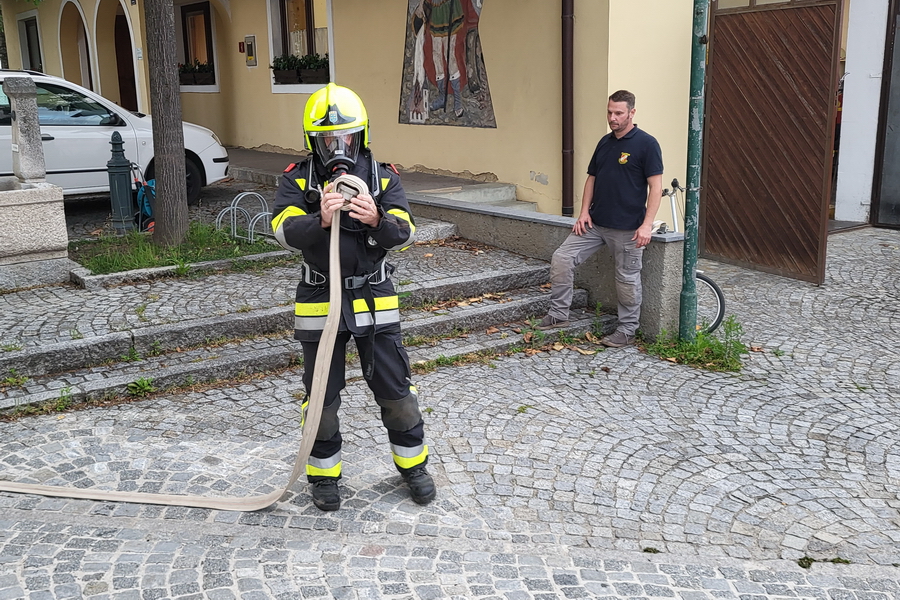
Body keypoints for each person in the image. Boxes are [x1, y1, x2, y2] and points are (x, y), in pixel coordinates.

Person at [270, 83, 435, 511]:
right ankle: (324, 477)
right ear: (313, 141)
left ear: (360, 135)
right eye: (327, 140)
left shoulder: (382, 177)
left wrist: (377, 218)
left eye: (345, 137)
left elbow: (406, 232)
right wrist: (319, 220)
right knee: (321, 399)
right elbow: (282, 230)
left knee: (396, 391)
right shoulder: (297, 178)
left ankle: (414, 467)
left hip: (374, 298)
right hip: (320, 297)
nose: (337, 147)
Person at [537, 90, 663, 347]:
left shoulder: (647, 144)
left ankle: (627, 330)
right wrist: (584, 211)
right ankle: (559, 313)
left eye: (618, 113)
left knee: (627, 279)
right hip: (595, 224)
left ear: (632, 113)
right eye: (609, 112)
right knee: (562, 258)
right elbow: (591, 179)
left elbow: (656, 187)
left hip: (628, 229)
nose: (612, 118)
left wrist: (647, 225)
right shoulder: (604, 143)